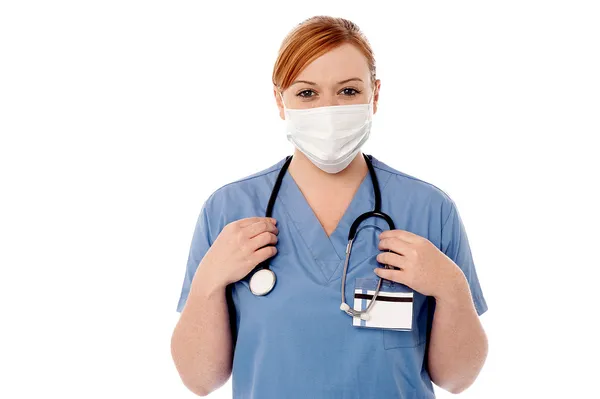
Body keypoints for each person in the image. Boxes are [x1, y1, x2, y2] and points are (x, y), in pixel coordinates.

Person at [171, 15, 488, 398]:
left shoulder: (428, 209)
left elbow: (457, 379)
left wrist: (451, 289)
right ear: (279, 99)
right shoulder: (229, 209)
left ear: (375, 94)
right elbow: (200, 380)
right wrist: (208, 282)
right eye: (307, 93)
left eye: (348, 91)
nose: (329, 109)